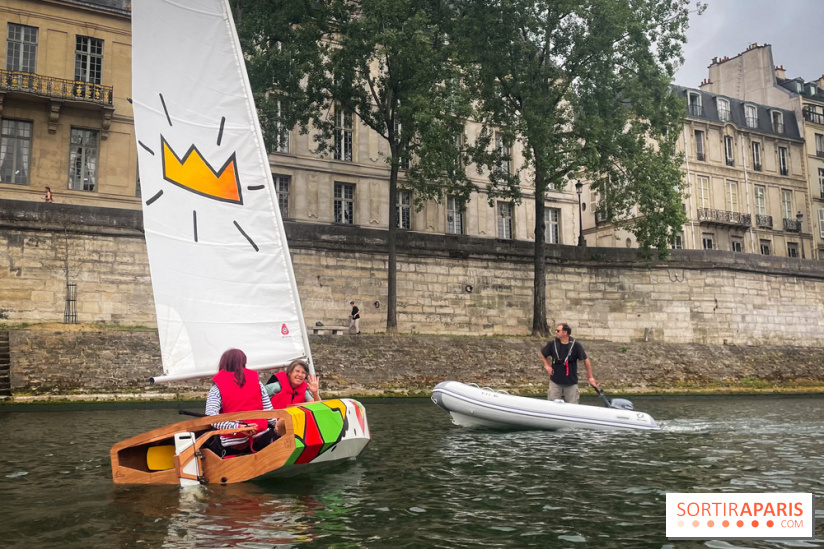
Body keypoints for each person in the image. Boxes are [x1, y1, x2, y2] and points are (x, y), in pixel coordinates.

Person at [205, 348, 285, 457]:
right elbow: (269, 412)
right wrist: (277, 428)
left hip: (233, 444)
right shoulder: (257, 382)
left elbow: (212, 418)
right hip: (261, 438)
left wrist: (238, 427)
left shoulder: (217, 387)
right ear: (243, 362)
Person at [540, 323, 598, 404]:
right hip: (555, 381)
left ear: (565, 332)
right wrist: (547, 365)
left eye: (558, 330)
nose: (556, 332)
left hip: (571, 382)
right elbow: (542, 354)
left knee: (572, 405)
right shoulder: (553, 344)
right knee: (552, 404)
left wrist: (590, 377)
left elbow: (586, 360)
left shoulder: (576, 345)